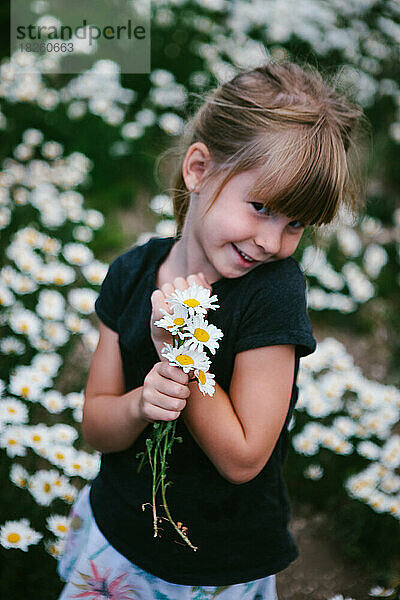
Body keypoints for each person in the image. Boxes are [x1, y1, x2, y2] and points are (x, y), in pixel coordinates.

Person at [57, 61, 364, 599]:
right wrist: (141, 402)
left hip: (214, 563)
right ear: (198, 169)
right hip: (119, 532)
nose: (272, 241)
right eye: (261, 206)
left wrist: (184, 357)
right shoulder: (131, 274)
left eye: (295, 223)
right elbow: (96, 425)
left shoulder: (272, 293)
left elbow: (244, 458)